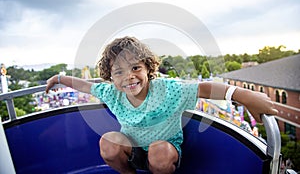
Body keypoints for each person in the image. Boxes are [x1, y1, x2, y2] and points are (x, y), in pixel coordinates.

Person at [45, 36, 278, 174]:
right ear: (111, 77)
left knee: (158, 152)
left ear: (148, 68)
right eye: (119, 72)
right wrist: (57, 79)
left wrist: (244, 95)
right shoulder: (110, 92)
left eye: (135, 68)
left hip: (165, 150)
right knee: (107, 143)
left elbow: (204, 88)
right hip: (134, 149)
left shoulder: (168, 89)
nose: (129, 77)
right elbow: (84, 85)